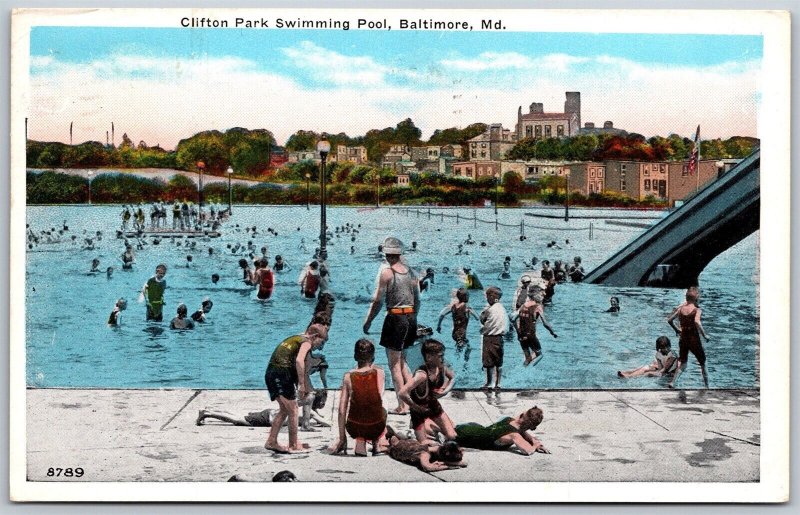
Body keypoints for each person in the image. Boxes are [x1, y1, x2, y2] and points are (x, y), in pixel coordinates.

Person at [363, 237, 421, 415]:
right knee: (403, 362)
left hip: (395, 319)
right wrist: (413, 318)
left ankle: (402, 405)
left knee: (394, 365)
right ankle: (413, 399)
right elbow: (417, 300)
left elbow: (378, 301)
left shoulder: (387, 273)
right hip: (411, 317)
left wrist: (369, 320)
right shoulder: (412, 273)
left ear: (387, 255)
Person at [264, 324, 329, 453]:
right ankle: (293, 444)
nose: (321, 347)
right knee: (293, 408)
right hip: (281, 373)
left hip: (271, 372)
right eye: (321, 342)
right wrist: (302, 385)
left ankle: (271, 441)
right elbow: (299, 361)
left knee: (284, 409)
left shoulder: (297, 337)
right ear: (315, 336)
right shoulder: (307, 342)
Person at [327, 339, 388, 456]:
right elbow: (377, 397)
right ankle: (376, 443)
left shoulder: (348, 376)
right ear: (373, 357)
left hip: (354, 427)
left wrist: (342, 437)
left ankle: (360, 444)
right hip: (376, 426)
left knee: (359, 403)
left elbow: (341, 410)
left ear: (355, 356)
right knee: (382, 402)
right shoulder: (380, 372)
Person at [398, 339, 457, 445]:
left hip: (433, 405)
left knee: (452, 436)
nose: (443, 359)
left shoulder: (441, 367)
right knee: (425, 444)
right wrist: (416, 407)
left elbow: (452, 377)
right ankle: (402, 433)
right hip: (418, 410)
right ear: (429, 357)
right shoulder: (422, 375)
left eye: (443, 355)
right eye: (440, 356)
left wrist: (445, 391)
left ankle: (431, 425)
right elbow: (402, 393)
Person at [454, 406, 549, 455]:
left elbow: (525, 434)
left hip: (470, 428)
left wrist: (536, 442)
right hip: (463, 436)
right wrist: (535, 445)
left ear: (521, 415)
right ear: (531, 428)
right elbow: (527, 451)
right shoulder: (514, 435)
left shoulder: (509, 419)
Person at [667, 287, 710, 388]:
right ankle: (707, 386)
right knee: (703, 362)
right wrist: (705, 335)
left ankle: (673, 382)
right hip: (694, 339)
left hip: (683, 339)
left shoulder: (681, 309)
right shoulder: (697, 310)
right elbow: (697, 322)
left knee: (683, 363)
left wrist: (677, 329)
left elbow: (670, 320)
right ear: (696, 298)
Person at [510, 285, 558, 367]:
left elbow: (512, 319)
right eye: (542, 295)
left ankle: (524, 372)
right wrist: (552, 332)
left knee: (527, 356)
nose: (543, 297)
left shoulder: (524, 305)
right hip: (531, 335)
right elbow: (545, 323)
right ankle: (522, 369)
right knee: (539, 353)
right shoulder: (538, 306)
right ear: (536, 295)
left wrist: (518, 331)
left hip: (521, 335)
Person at [388, 433, 466, 472]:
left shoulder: (436, 447)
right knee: (395, 442)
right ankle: (392, 436)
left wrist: (449, 462)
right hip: (397, 448)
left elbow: (463, 462)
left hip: (412, 444)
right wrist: (449, 466)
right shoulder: (424, 454)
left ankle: (399, 435)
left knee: (410, 441)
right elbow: (427, 467)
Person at [479, 286, 508, 390]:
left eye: (487, 297)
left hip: (489, 338)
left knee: (488, 362)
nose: (487, 299)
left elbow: (482, 319)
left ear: (492, 297)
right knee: (499, 362)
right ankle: (498, 383)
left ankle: (489, 382)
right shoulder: (502, 309)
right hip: (500, 338)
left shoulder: (489, 310)